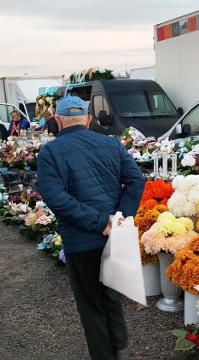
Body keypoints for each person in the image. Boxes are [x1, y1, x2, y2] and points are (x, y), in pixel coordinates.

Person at [37, 96, 145, 360]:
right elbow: (135, 181)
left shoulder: (50, 152)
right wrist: (117, 219)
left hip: (81, 241)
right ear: (87, 119)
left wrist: (102, 222)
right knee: (110, 297)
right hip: (113, 238)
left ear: (58, 121)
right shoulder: (111, 143)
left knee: (90, 305)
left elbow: (57, 199)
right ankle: (120, 352)